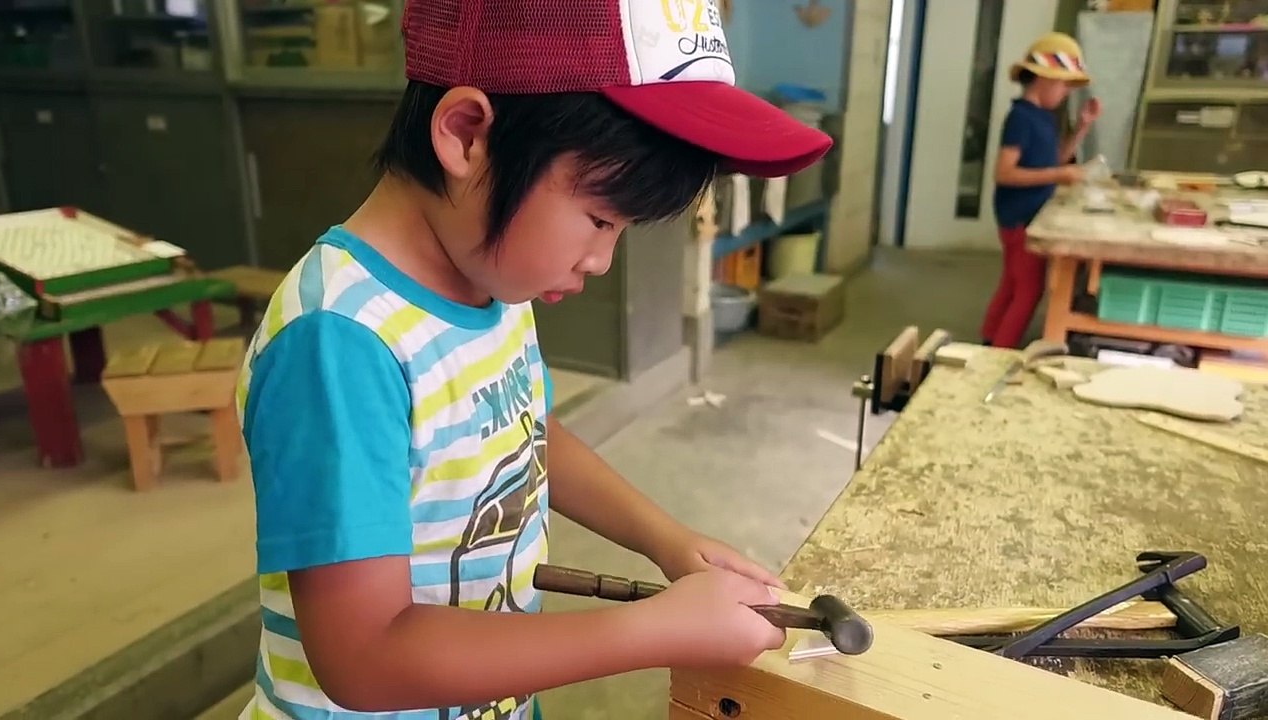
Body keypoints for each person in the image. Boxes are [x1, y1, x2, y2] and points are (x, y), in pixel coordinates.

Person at [234, 1, 833, 718]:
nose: (602, 260)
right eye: (600, 218)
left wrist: (666, 541)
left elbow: (525, 430)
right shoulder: (339, 342)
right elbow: (365, 658)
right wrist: (652, 629)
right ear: (466, 135)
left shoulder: (490, 277)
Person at [981, 31, 1101, 349]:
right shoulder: (1020, 118)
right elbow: (1004, 173)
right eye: (1064, 85)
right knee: (1029, 290)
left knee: (1011, 283)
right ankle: (999, 353)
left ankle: (989, 337)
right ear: (1044, 79)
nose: (1065, 93)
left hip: (1026, 215)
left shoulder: (1043, 117)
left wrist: (1082, 128)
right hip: (1020, 217)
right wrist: (1060, 174)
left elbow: (1055, 159)